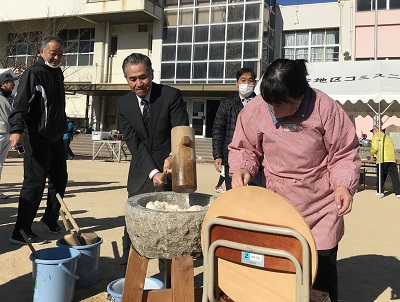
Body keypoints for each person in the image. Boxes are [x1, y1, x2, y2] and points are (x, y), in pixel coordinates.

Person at [228, 59, 361, 302]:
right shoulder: (256, 109)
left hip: (321, 202)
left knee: (321, 273)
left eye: (281, 105)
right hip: (279, 203)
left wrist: (343, 185)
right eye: (271, 104)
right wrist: (242, 168)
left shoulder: (325, 107)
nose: (274, 111)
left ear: (300, 96)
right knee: (281, 268)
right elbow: (244, 148)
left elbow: (344, 152)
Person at [117, 53, 189, 261]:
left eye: (143, 77)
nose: (139, 83)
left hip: (172, 170)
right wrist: (153, 172)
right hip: (142, 173)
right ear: (127, 79)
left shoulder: (171, 96)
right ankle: (127, 281)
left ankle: (169, 280)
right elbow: (135, 144)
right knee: (134, 228)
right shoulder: (123, 105)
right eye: (133, 79)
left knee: (172, 229)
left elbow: (180, 130)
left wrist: (173, 156)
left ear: (151, 74)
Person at [8, 35, 67, 245]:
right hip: (37, 138)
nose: (57, 57)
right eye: (53, 53)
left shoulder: (58, 74)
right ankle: (20, 231)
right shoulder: (33, 74)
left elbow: (57, 106)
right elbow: (20, 103)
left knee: (60, 180)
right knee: (34, 184)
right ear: (41, 52)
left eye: (60, 54)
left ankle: (50, 218)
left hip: (57, 138)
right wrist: (16, 130)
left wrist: (64, 126)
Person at [212, 67, 262, 190]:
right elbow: (218, 130)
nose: (246, 84)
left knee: (255, 193)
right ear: (236, 83)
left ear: (254, 83)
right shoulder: (227, 103)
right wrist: (217, 155)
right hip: (231, 157)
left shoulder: (261, 104)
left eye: (250, 80)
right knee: (234, 192)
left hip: (256, 158)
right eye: (243, 80)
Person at [0, 72, 19, 199]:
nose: (13, 84)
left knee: (0, 164)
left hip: (8, 133)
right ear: (3, 84)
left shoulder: (12, 97)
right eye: (11, 82)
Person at [370, 125, 400, 197]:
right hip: (392, 159)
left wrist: (372, 153)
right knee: (394, 177)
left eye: (372, 131)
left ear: (375, 130)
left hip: (382, 159)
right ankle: (398, 193)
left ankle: (380, 192)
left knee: (381, 176)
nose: (373, 133)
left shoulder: (376, 137)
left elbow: (375, 148)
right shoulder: (389, 137)